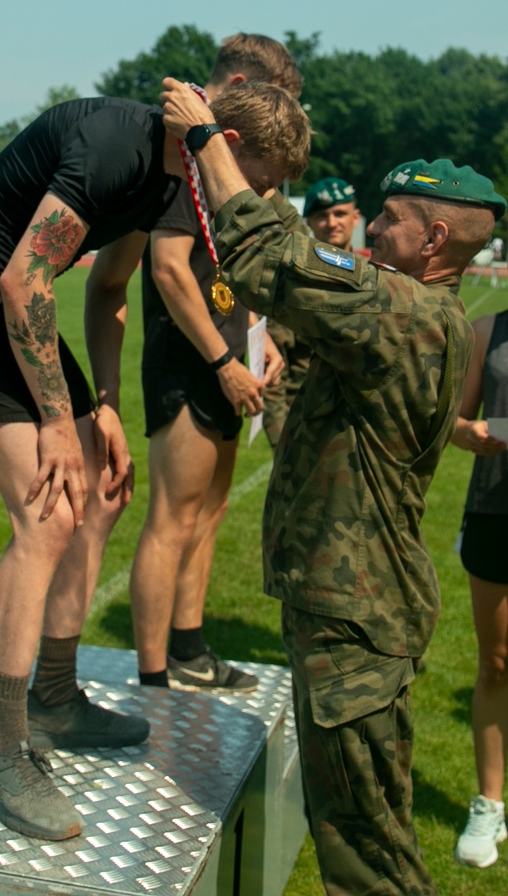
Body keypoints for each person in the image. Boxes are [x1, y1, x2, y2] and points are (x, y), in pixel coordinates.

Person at [158, 74, 505, 896]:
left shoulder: (409, 312)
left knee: (367, 854)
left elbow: (268, 256)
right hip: (349, 607)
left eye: (388, 220)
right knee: (352, 828)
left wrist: (208, 137)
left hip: (359, 618)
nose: (370, 230)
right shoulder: (410, 316)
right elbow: (300, 400)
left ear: (437, 238)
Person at [0, 96, 188, 841]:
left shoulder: (175, 179)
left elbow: (106, 289)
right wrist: (57, 424)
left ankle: (57, 698)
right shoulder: (118, 147)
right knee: (47, 511)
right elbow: (21, 280)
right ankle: (2, 750)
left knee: (98, 489)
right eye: (246, 177)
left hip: (14, 312)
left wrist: (103, 406)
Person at [125, 75, 309, 695]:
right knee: (171, 519)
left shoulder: (232, 191)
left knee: (209, 513)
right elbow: (171, 271)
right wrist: (223, 363)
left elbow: (237, 275)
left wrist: (261, 342)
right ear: (231, 143)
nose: (268, 189)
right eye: (265, 173)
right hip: (189, 366)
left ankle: (191, 649)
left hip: (230, 366)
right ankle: (154, 676)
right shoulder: (186, 173)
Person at [449, 312, 508, 867]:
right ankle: (490, 802)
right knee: (496, 663)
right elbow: (455, 421)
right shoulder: (490, 330)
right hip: (495, 511)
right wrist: (473, 434)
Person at [264, 176, 361, 448]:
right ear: (308, 222)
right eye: (322, 216)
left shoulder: (375, 278)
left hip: (357, 432)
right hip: (304, 427)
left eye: (339, 213)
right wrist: (281, 442)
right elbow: (273, 373)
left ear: (356, 216)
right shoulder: (293, 283)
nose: (332, 223)